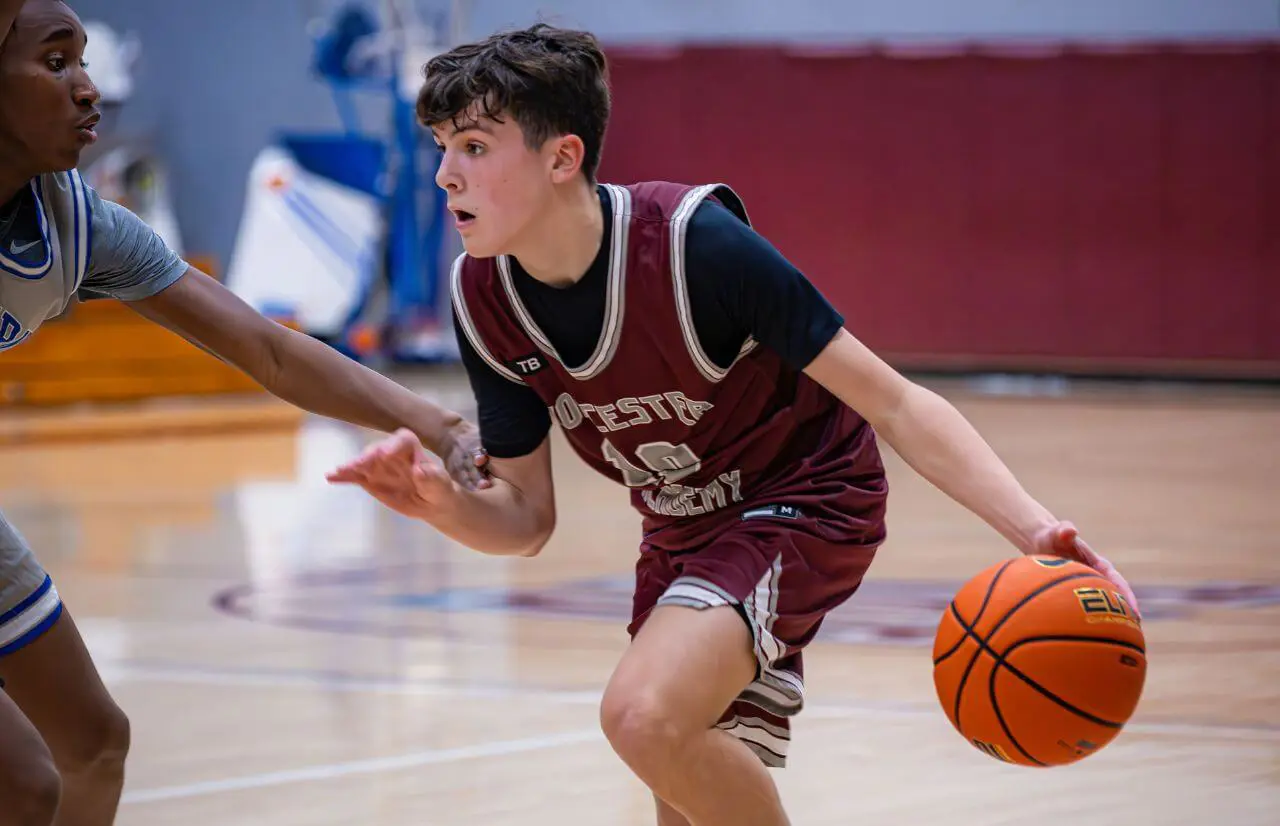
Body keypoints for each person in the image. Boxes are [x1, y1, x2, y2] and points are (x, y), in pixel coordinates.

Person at [327, 23, 1141, 826]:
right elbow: (526, 521)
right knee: (679, 787)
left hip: (809, 497)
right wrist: (440, 505)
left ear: (561, 157)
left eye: (472, 147)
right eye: (441, 146)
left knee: (641, 716)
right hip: (681, 530)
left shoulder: (694, 248)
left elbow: (892, 400)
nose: (443, 175)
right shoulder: (483, 300)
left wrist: (1034, 529)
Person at [0, 2, 488, 824]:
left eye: (84, 61)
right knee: (29, 780)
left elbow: (269, 349)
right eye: (55, 63)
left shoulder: (78, 225)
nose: (88, 89)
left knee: (89, 747)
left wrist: (442, 426)